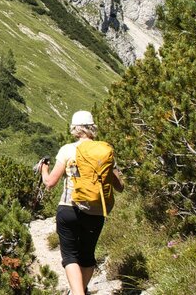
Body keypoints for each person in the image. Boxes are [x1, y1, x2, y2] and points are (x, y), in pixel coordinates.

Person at [38, 110, 124, 295]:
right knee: (87, 255)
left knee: (70, 256)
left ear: (74, 129)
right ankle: (80, 290)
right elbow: (120, 187)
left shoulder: (67, 150)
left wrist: (44, 169)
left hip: (69, 208)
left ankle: (77, 293)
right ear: (92, 128)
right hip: (95, 211)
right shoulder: (105, 152)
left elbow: (50, 183)